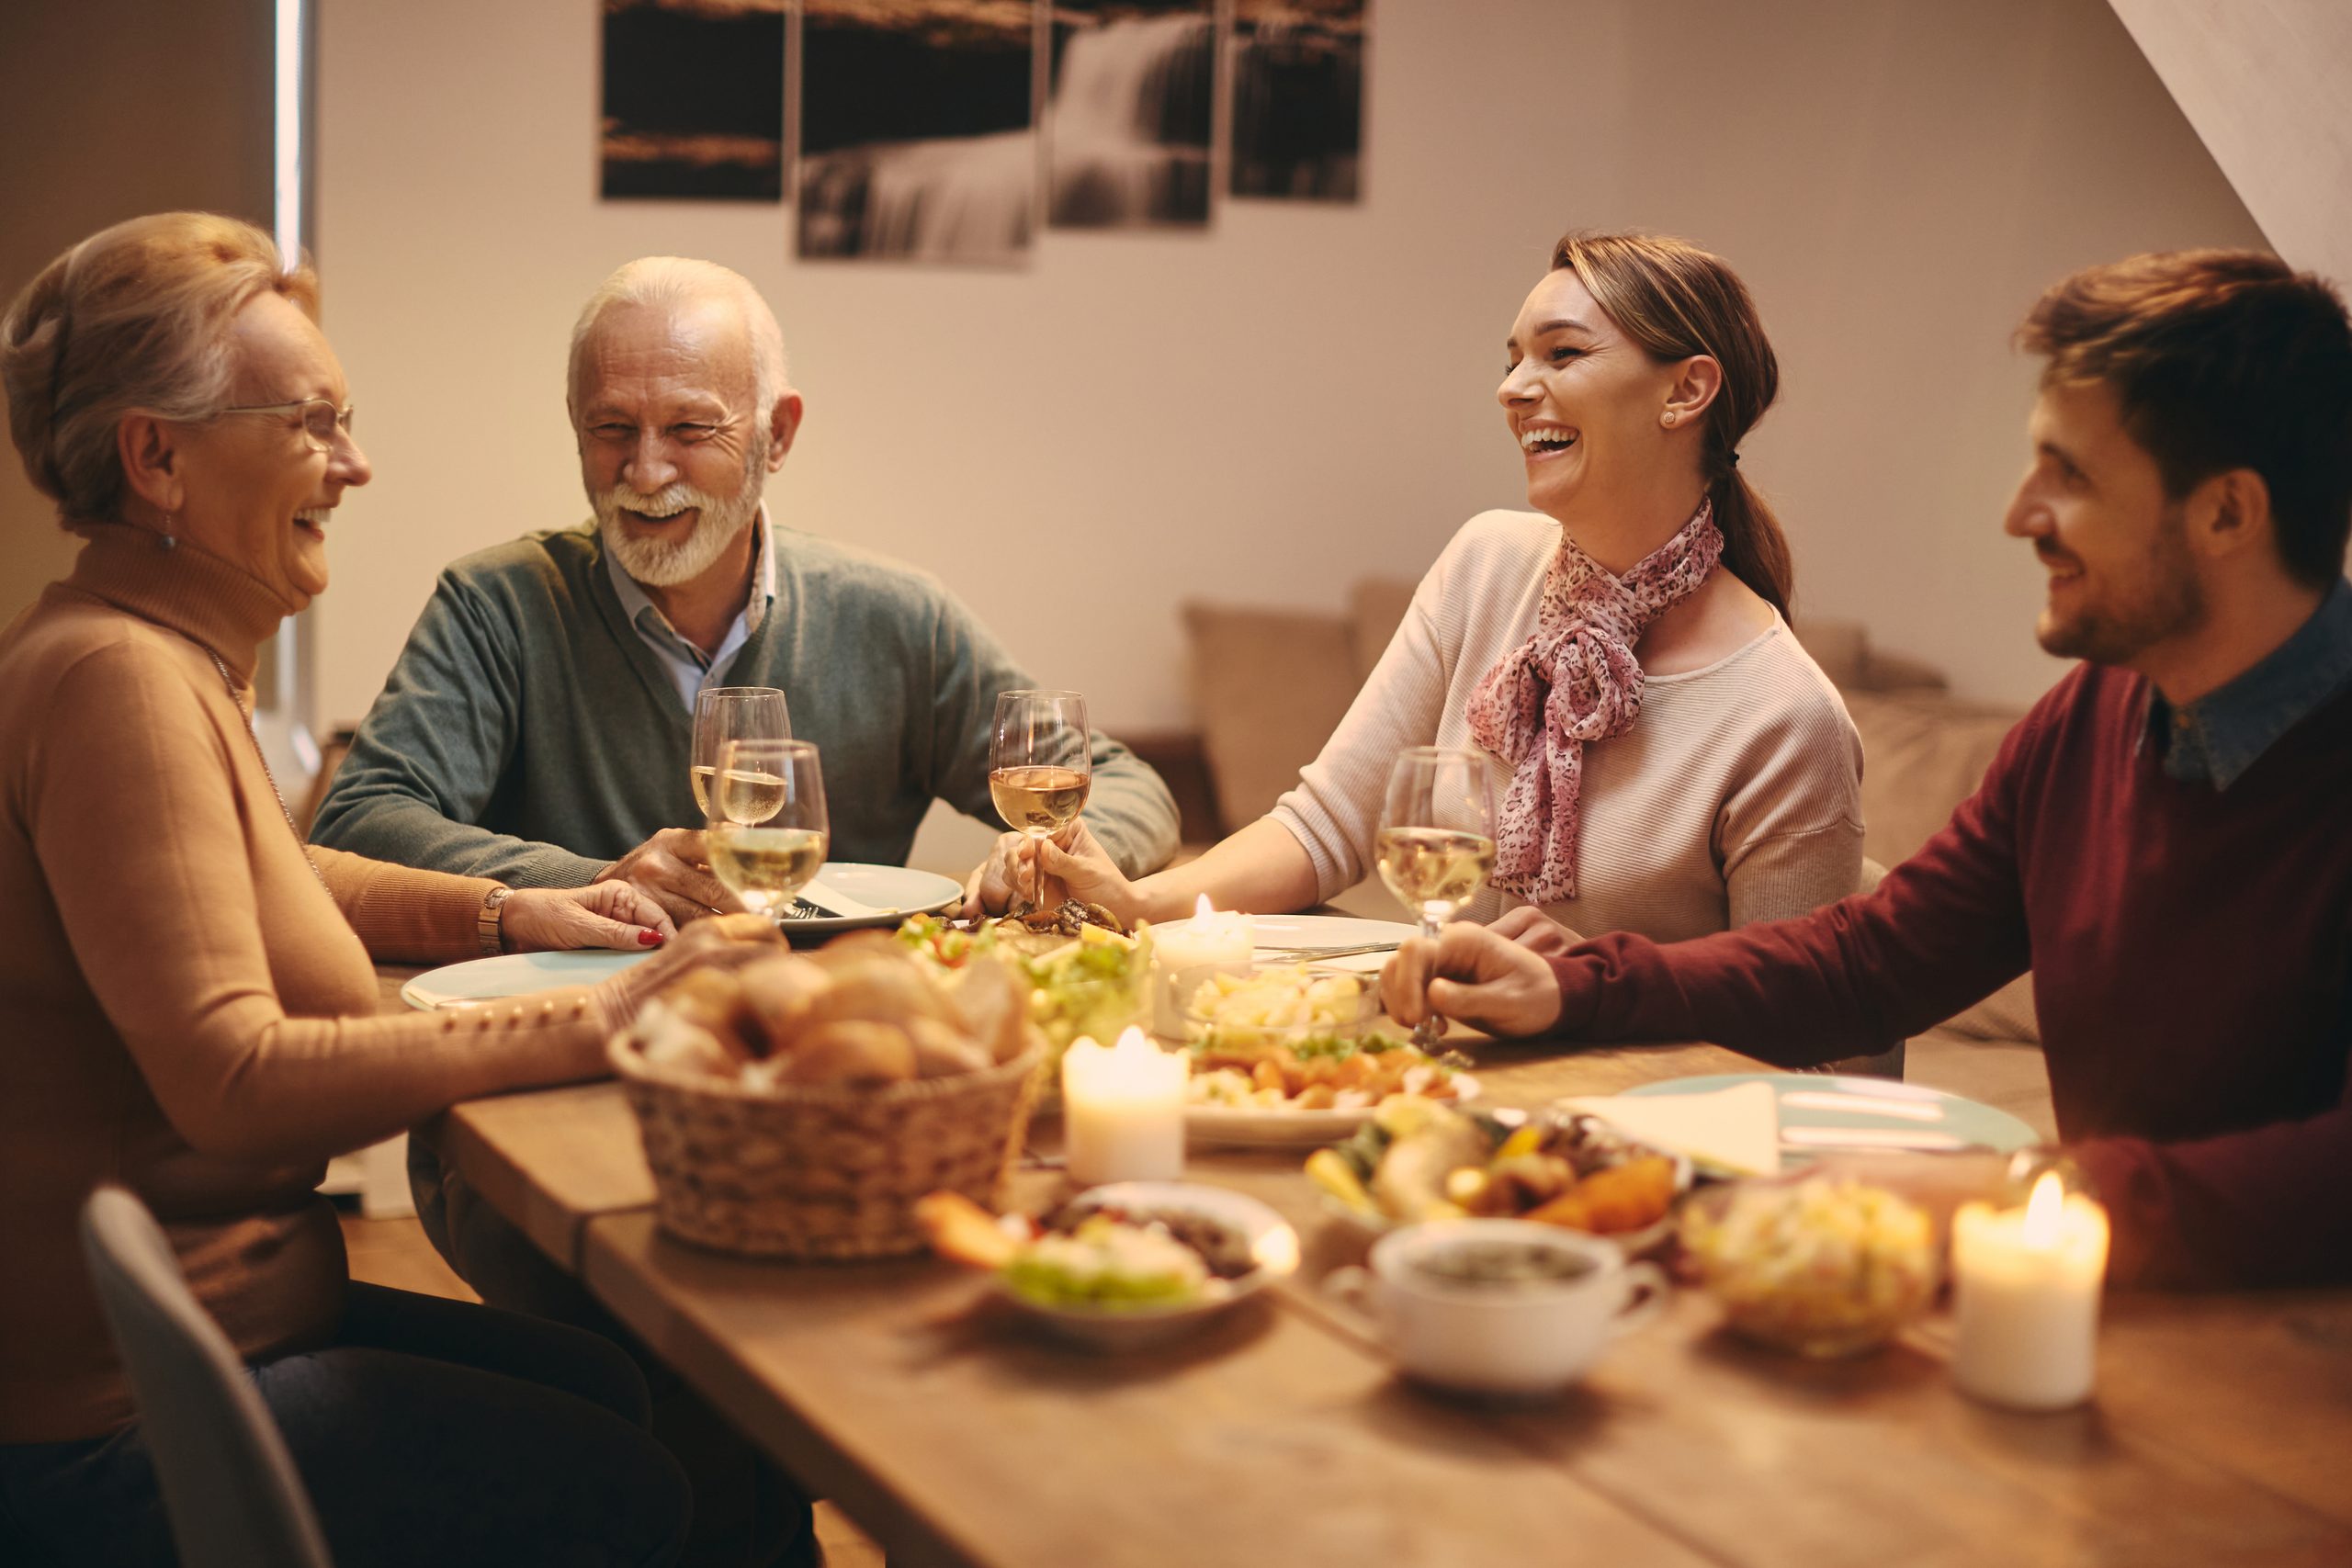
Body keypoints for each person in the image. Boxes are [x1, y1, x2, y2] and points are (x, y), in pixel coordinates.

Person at [0, 213, 785, 1566]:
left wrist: (507, 910)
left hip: (217, 1335)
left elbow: (261, 870)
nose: (353, 465)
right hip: (129, 1424)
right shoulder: (118, 681)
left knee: (637, 1391)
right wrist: (612, 1018)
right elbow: (230, 1075)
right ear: (158, 457)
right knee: (635, 1473)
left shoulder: (141, 654)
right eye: (310, 423)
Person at [1387, 248, 2352, 1291]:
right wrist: (1576, 989)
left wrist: (2011, 1190)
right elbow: (1872, 959)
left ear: (2226, 514)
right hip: (2123, 1306)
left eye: (2069, 477)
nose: (2020, 514)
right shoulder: (2093, 716)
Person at [967, 231, 1864, 955]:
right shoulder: (1486, 564)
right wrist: (1135, 900)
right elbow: (1330, 827)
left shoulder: (1786, 719)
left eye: (1561, 352)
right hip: (1449, 1080)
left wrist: (1593, 998)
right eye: (1512, 358)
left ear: (1687, 390)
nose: (1513, 389)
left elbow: (1812, 1045)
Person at [308, 254, 1180, 930]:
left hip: (825, 1050)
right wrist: (595, 881)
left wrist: (1047, 858)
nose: (644, 474)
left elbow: (1125, 784)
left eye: (689, 429)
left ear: (778, 434)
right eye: (612, 429)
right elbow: (358, 823)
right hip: (569, 1039)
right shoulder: (496, 604)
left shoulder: (896, 616)